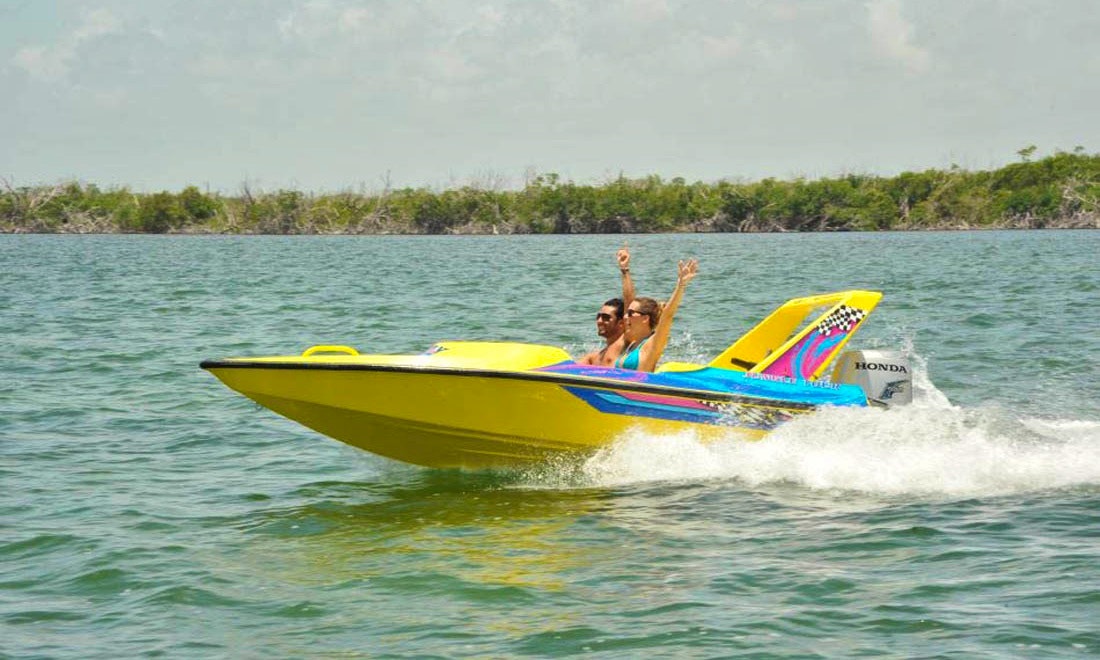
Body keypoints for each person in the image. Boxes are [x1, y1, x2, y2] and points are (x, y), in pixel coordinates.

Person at [614, 258, 699, 372]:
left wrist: (681, 286)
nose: (625, 317)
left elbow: (667, 316)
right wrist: (625, 269)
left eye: (630, 314)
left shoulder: (652, 344)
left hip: (638, 389)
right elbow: (628, 298)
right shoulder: (631, 343)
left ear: (645, 318)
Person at [578, 248, 635, 366]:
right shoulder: (595, 357)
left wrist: (625, 269)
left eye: (606, 317)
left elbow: (630, 305)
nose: (599, 321)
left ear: (621, 323)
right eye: (598, 316)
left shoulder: (624, 344)